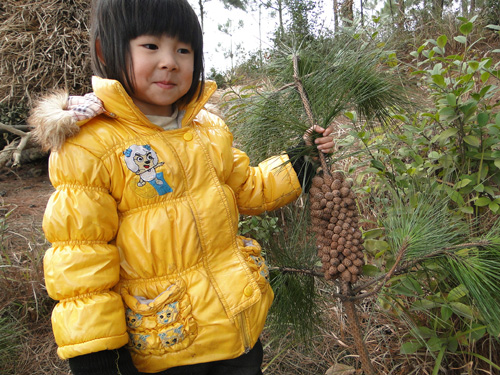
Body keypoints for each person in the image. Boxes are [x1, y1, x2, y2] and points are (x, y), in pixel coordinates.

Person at [28, 0, 335, 374]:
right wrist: (97, 355)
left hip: (237, 329)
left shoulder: (208, 131)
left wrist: (301, 160)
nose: (170, 61)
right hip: (167, 342)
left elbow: (249, 188)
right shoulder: (91, 146)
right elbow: (81, 260)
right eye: (151, 46)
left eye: (184, 50)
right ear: (105, 51)